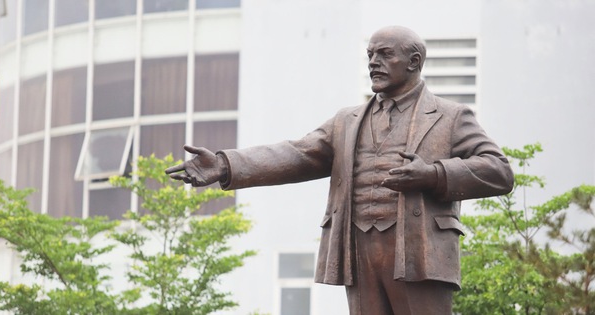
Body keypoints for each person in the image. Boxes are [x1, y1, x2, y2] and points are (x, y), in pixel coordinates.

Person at [166, 25, 514, 315]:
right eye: (370, 56)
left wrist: (434, 174)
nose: (374, 63)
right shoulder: (346, 121)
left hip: (419, 253)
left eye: (384, 55)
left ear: (414, 62)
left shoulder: (450, 117)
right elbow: (296, 154)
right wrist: (226, 164)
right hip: (358, 250)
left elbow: (498, 171)